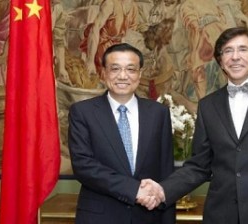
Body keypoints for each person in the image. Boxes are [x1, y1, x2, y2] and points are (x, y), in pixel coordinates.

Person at [139, 27, 248, 224]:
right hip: (220, 216)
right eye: (228, 51)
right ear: (220, 61)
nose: (235, 57)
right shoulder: (208, 105)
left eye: (243, 49)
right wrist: (162, 190)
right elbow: (199, 166)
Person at [68, 43, 176, 224]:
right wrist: (134, 190)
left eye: (131, 69)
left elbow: (166, 171)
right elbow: (83, 166)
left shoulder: (158, 113)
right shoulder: (83, 112)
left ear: (139, 74)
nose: (123, 76)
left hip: (148, 216)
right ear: (103, 73)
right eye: (115, 69)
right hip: (100, 217)